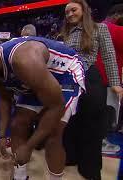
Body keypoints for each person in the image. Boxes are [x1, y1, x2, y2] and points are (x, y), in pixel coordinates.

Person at [0, 35, 85, 180]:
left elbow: (56, 107)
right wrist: (2, 136)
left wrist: (29, 146)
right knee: (17, 125)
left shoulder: (24, 60)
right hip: (38, 78)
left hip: (65, 74)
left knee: (53, 135)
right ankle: (19, 176)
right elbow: (5, 99)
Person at [60, 1, 123, 179]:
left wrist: (115, 83)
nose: (70, 14)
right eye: (67, 12)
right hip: (68, 82)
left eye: (74, 10)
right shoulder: (63, 33)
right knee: (70, 122)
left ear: (84, 10)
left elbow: (110, 55)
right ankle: (70, 157)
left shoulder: (99, 28)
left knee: (92, 125)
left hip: (90, 78)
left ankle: (89, 168)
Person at [95, 3, 123, 154]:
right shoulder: (116, 30)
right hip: (107, 80)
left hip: (90, 78)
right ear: (118, 15)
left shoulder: (95, 27)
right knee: (106, 112)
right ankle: (101, 143)